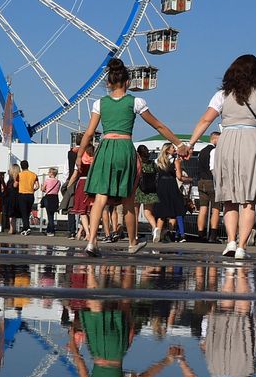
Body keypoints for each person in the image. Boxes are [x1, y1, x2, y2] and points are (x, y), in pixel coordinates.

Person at [183, 54, 256, 260]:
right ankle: (242, 246)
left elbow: (205, 119)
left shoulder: (222, 95)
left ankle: (230, 241)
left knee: (229, 198)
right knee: (249, 200)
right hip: (254, 142)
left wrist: (191, 143)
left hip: (228, 141)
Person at [76, 57, 184, 255]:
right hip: (125, 147)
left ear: (108, 83)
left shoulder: (100, 104)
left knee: (100, 197)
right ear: (127, 82)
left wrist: (79, 155)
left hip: (106, 148)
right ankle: (132, 242)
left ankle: (91, 241)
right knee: (128, 199)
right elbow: (158, 125)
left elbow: (89, 133)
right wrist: (179, 143)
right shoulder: (136, 102)